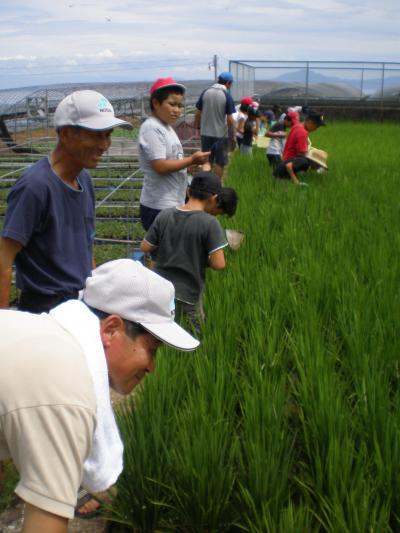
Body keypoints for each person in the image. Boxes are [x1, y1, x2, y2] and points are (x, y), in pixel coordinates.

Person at [0, 259, 199, 533]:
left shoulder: (41, 336)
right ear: (111, 329)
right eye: (152, 350)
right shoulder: (66, 390)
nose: (152, 367)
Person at [0, 90, 132, 312]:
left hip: (80, 302)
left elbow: (85, 245)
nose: (104, 145)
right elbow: (4, 259)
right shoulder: (35, 186)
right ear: (66, 133)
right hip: (45, 308)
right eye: (96, 134)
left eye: (107, 135)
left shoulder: (84, 179)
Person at [140, 172, 238, 335]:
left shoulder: (165, 214)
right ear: (214, 198)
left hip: (159, 288)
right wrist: (199, 256)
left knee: (161, 332)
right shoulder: (210, 223)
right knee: (194, 333)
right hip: (188, 292)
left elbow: (145, 247)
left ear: (188, 192)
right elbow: (219, 264)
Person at [138, 77, 210, 234]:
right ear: (156, 103)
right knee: (166, 254)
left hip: (171, 202)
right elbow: (160, 166)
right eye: (172, 104)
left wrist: (189, 166)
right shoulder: (152, 128)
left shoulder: (167, 128)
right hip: (159, 206)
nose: (177, 110)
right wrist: (191, 159)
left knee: (172, 252)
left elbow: (172, 162)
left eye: (180, 105)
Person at [194, 72, 236, 178]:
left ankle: (205, 183)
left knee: (206, 161)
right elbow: (230, 119)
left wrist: (198, 127)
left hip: (205, 134)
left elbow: (198, 113)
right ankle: (216, 186)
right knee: (220, 163)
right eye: (231, 84)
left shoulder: (205, 92)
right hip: (221, 135)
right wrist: (233, 136)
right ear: (228, 83)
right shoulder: (226, 95)